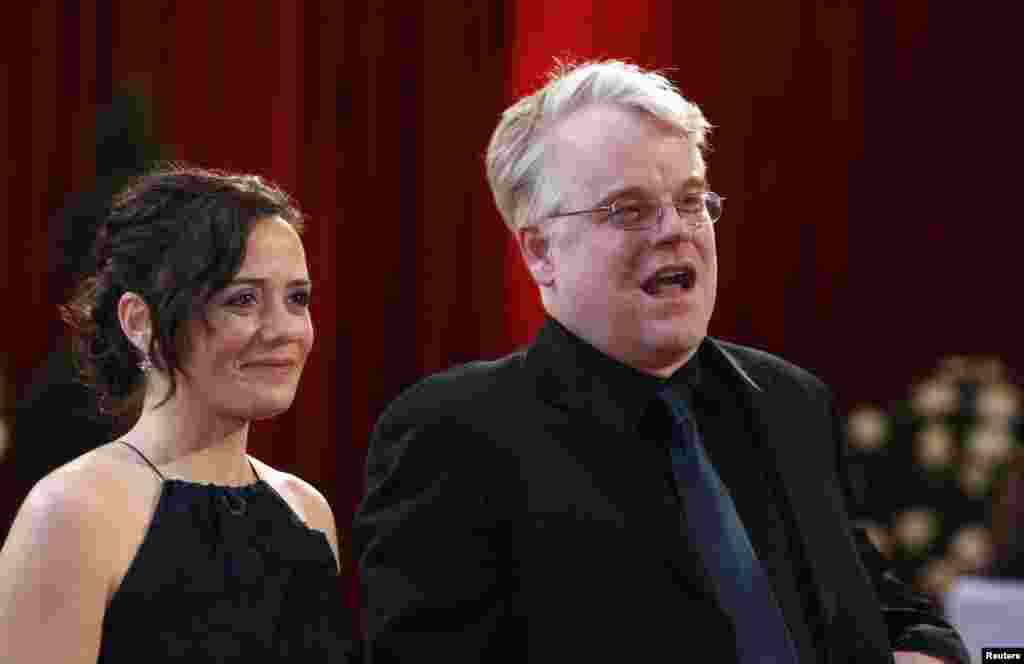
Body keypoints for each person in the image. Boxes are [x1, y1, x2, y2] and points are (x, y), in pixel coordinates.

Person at [354, 60, 968, 663]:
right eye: (629, 210)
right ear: (541, 251)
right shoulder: (454, 436)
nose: (676, 231)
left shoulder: (789, 401)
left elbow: (880, 610)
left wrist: (924, 653)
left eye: (691, 201)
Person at [0, 166, 355, 662]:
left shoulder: (307, 512)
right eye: (243, 299)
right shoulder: (71, 514)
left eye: (297, 298)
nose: (284, 329)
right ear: (139, 321)